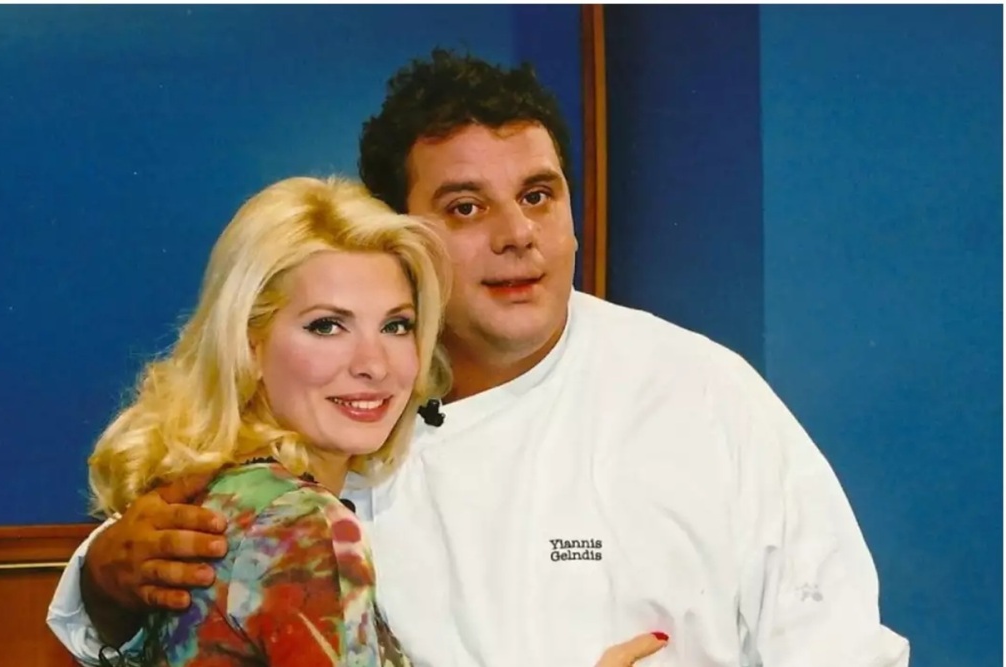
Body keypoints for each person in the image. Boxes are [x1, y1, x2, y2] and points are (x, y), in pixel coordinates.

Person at [49, 50, 910, 666]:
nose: (517, 234)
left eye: (539, 195)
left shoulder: (701, 393)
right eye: (466, 207)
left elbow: (839, 641)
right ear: (399, 235)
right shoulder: (336, 419)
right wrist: (106, 579)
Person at [83, 176, 452, 665]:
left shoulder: (219, 495)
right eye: (327, 326)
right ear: (248, 346)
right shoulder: (305, 524)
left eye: (395, 325)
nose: (374, 364)